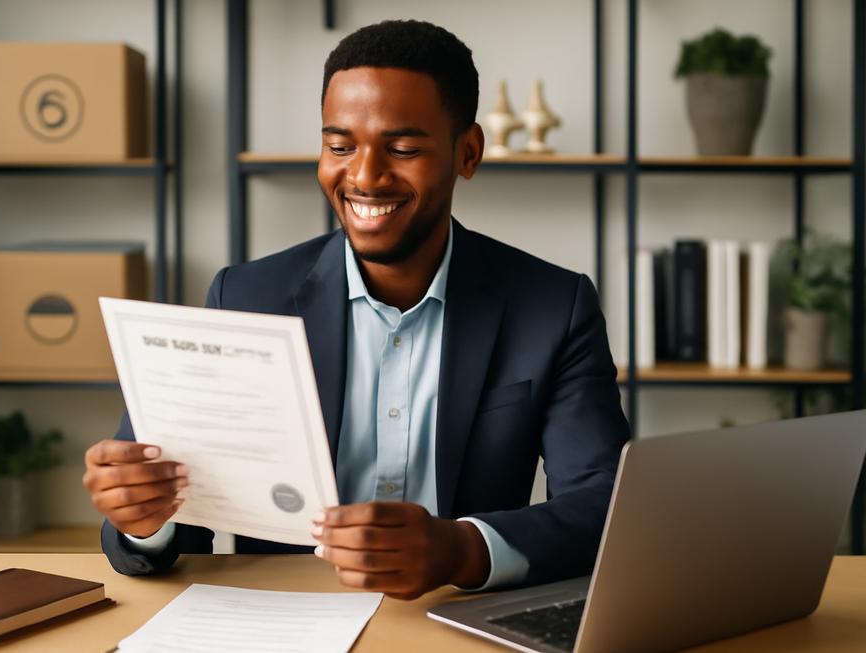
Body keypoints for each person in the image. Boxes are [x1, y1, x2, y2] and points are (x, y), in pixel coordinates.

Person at [83, 19, 629, 600]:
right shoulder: (244, 298)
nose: (364, 176)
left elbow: (604, 508)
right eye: (339, 146)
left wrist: (461, 549)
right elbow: (174, 521)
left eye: (403, 148)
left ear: (467, 153)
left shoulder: (553, 307)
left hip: (456, 615)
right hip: (285, 619)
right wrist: (143, 518)